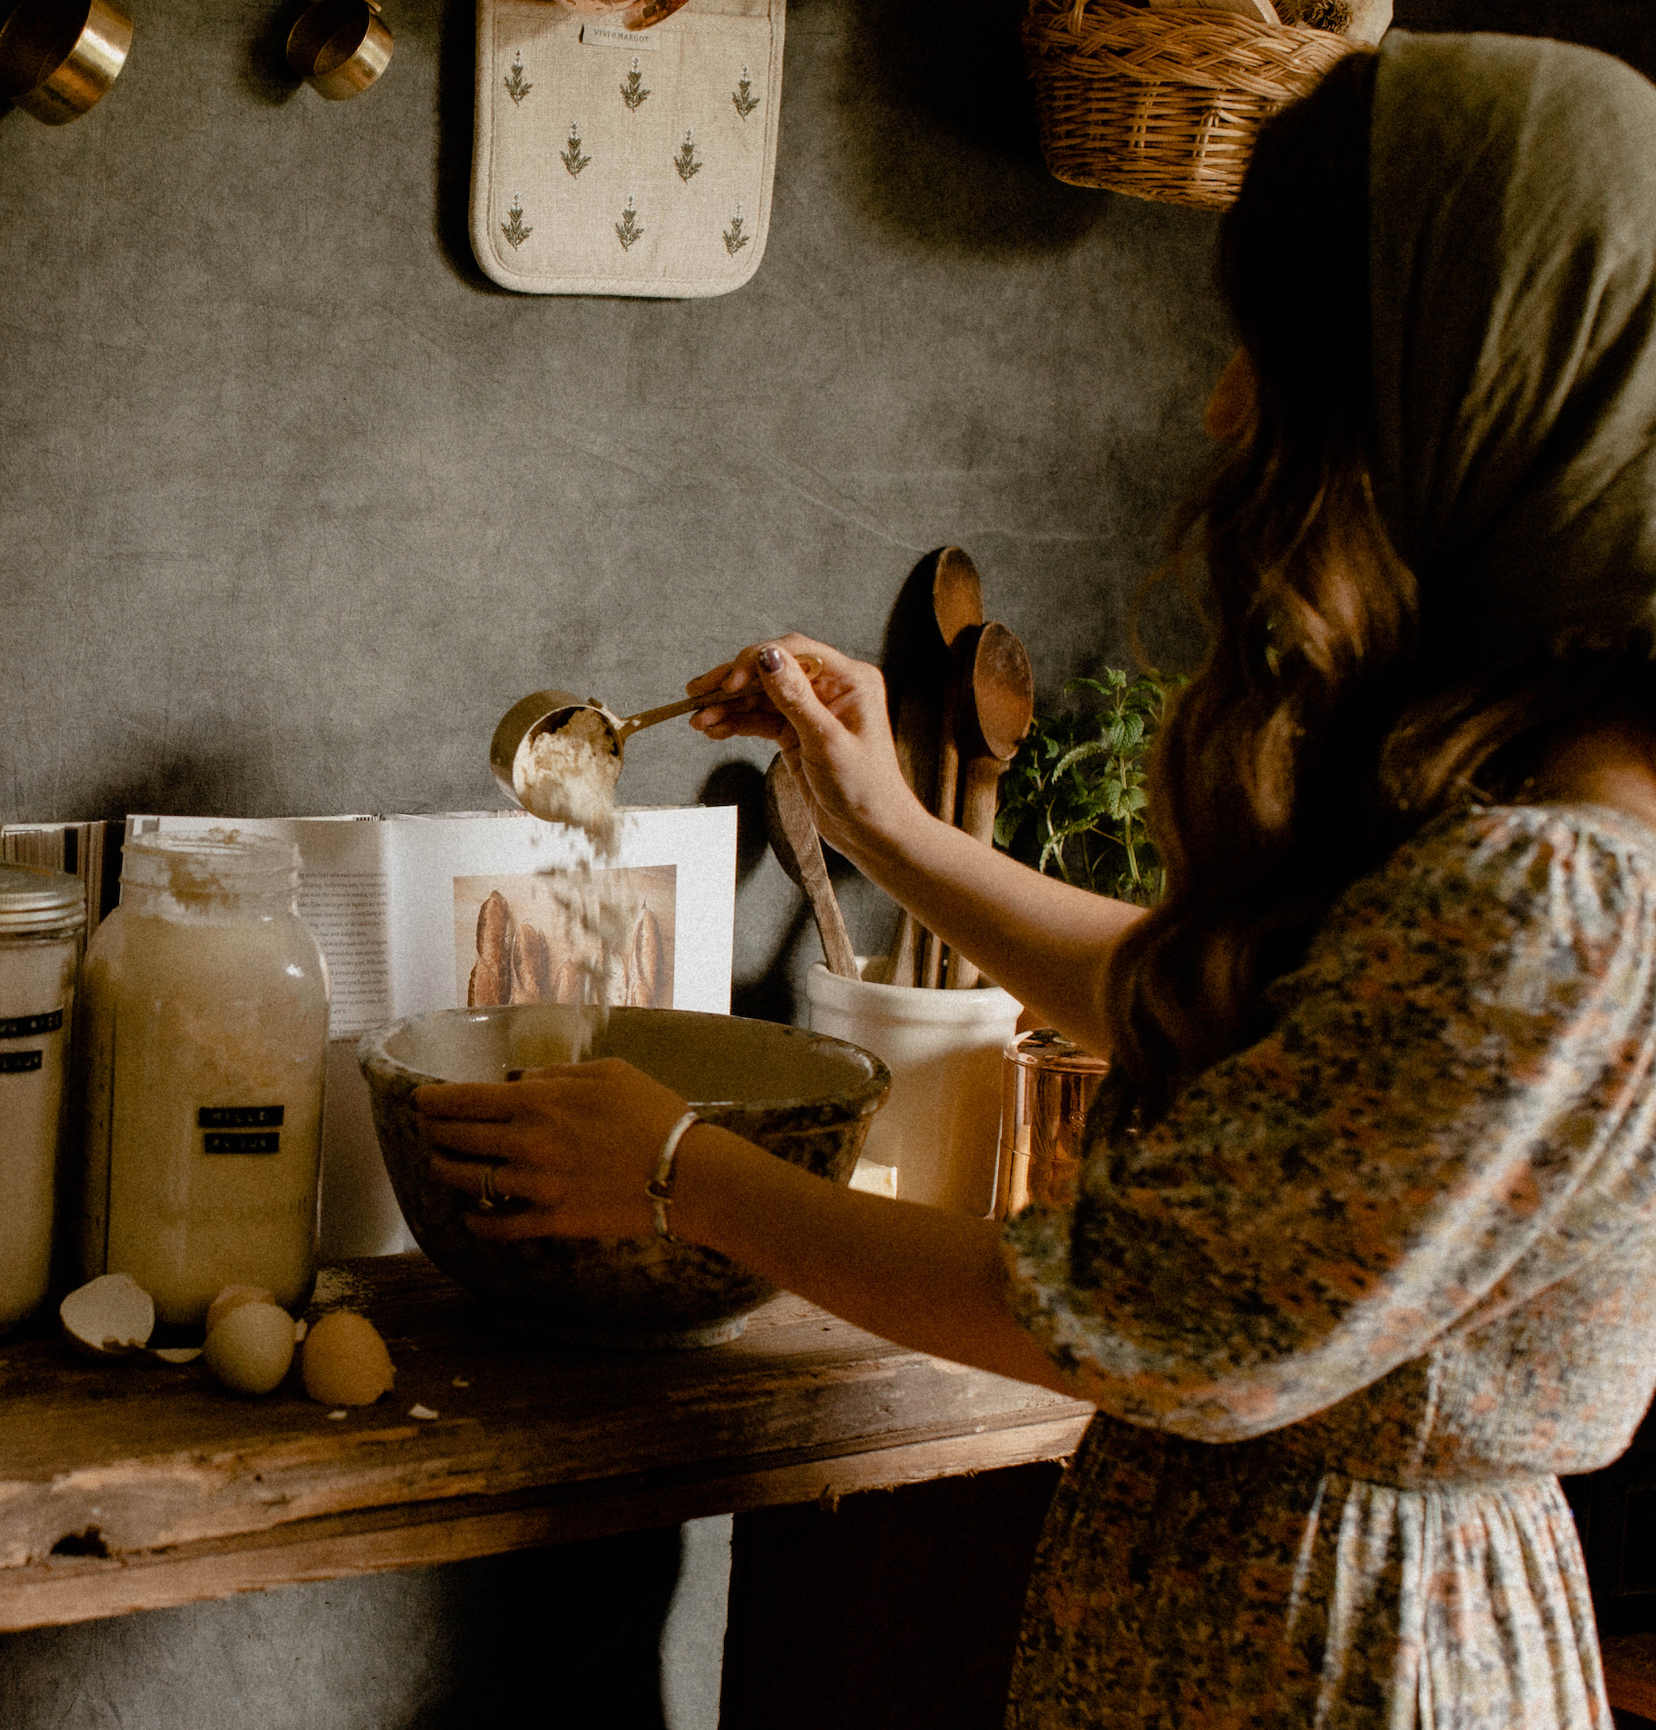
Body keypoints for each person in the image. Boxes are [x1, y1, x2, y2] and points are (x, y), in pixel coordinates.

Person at [417, 30, 1656, 1727]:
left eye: (1269, 353)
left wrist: (681, 1168)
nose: (1222, 404)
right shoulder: (1553, 782)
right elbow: (1248, 1030)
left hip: (1343, 1655)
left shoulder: (1552, 886)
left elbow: (1122, 1311)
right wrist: (892, 829)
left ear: (1459, 373)